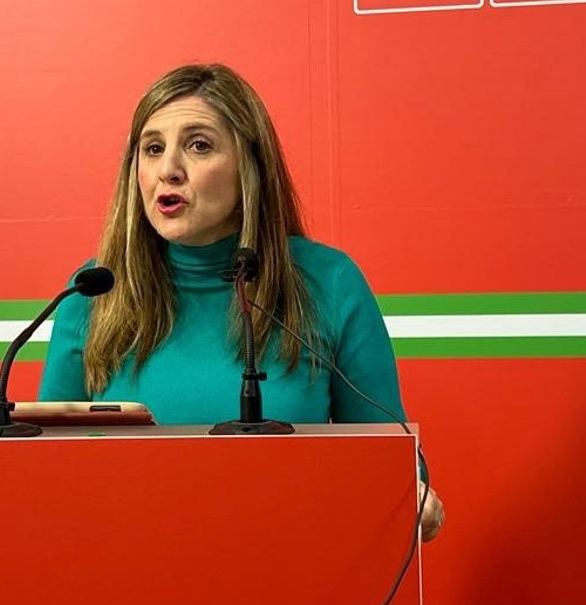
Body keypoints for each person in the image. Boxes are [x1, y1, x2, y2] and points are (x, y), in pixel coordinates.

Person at [40, 63, 443, 539]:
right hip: (128, 565)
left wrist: (412, 496)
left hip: (291, 564)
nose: (168, 170)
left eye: (199, 145)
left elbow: (391, 462)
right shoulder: (93, 291)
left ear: (249, 166)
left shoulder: (327, 281)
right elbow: (44, 470)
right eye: (152, 149)